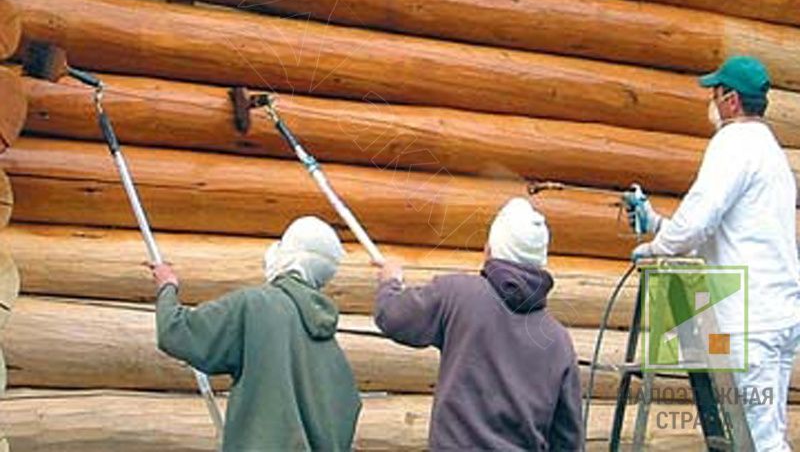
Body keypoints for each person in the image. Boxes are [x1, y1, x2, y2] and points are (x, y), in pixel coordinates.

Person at [631, 56, 800, 451]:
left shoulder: (733, 143)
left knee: (755, 439)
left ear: (732, 100)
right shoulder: (769, 150)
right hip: (778, 312)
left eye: (715, 92)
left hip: (749, 316)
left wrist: (656, 248)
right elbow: (724, 224)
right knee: (768, 432)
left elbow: (697, 222)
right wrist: (655, 221)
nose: (711, 100)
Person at [374, 197, 583, 451]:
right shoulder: (557, 340)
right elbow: (568, 440)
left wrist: (390, 281)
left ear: (490, 249)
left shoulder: (457, 295)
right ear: (540, 262)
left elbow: (393, 316)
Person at [149, 216, 361, 452]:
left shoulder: (255, 305)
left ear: (288, 254)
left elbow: (176, 331)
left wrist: (167, 287)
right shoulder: (333, 352)